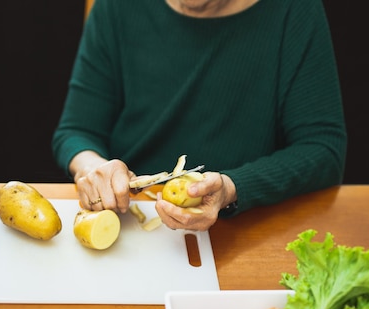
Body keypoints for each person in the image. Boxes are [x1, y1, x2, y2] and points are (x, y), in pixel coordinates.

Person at [52, 0, 347, 231]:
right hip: (131, 220)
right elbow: (76, 131)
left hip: (242, 229)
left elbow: (322, 149)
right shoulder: (117, 6)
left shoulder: (294, 10)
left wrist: (233, 187)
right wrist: (93, 167)